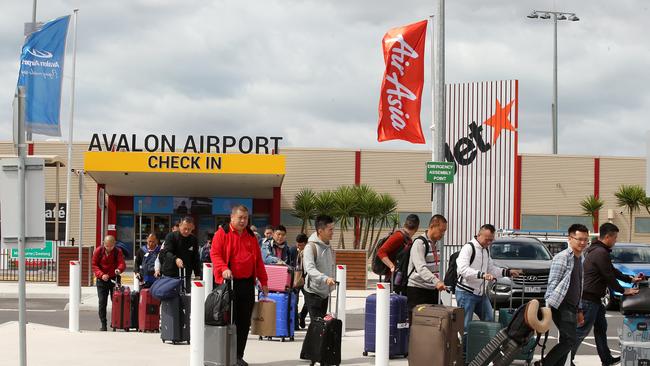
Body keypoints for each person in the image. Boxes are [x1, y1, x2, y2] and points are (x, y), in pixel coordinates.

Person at [571, 223, 641, 366]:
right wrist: (624, 290)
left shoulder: (598, 250)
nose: (615, 240)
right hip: (589, 299)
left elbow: (612, 270)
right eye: (615, 237)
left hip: (595, 300)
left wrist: (630, 279)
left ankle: (606, 359)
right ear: (607, 236)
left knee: (601, 329)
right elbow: (608, 275)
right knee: (581, 332)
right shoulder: (600, 253)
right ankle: (564, 359)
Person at [211, 205, 269, 366]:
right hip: (228, 284)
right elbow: (215, 254)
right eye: (240, 218)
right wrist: (223, 268)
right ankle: (225, 354)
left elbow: (258, 261)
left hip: (247, 283)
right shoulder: (222, 233)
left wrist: (264, 281)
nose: (243, 221)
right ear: (232, 218)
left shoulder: (251, 236)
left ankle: (238, 355)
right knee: (229, 320)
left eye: (245, 218)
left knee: (244, 322)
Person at [540, 224, 590, 366]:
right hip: (561, 304)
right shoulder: (562, 257)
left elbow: (579, 286)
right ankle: (545, 364)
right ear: (570, 238)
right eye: (579, 239)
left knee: (566, 342)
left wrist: (579, 309)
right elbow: (553, 282)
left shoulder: (581, 258)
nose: (583, 243)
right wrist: (548, 306)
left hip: (572, 306)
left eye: (585, 240)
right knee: (569, 341)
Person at [456, 224, 522, 331]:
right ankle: (463, 347)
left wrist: (508, 272)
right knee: (464, 326)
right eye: (487, 239)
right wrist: (482, 275)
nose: (489, 243)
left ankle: (482, 345)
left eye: (491, 240)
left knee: (489, 321)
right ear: (479, 235)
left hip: (481, 293)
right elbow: (462, 270)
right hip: (466, 292)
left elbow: (491, 269)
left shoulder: (486, 250)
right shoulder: (468, 248)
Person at [405, 215, 447, 312]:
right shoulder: (420, 243)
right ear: (432, 226)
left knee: (436, 321)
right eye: (441, 230)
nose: (443, 234)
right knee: (419, 322)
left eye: (444, 231)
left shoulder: (436, 244)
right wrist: (436, 281)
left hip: (432, 289)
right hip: (418, 290)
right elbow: (421, 268)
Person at [302, 215, 336, 320]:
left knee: (321, 327)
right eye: (330, 229)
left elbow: (331, 266)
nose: (332, 232)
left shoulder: (328, 247)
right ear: (320, 231)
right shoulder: (310, 247)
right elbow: (310, 269)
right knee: (317, 326)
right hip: (313, 292)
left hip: (324, 293)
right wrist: (325, 279)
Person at [91, 235, 126, 331]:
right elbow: (94, 265)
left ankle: (114, 323)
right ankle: (103, 324)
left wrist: (119, 269)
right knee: (102, 302)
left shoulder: (118, 251)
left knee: (115, 302)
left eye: (111, 246)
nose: (109, 248)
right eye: (107, 246)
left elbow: (122, 263)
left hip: (114, 279)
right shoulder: (98, 251)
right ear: (103, 244)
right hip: (102, 280)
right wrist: (101, 275)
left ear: (114, 244)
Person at [377, 214, 420, 290]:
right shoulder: (398, 236)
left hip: (400, 278)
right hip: (393, 278)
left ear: (405, 223)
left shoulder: (407, 239)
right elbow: (381, 252)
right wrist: (391, 266)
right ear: (417, 228)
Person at [158, 216, 202, 290]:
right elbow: (167, 252)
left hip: (186, 274)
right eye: (185, 228)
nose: (187, 231)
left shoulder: (193, 239)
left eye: (189, 229)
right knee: (170, 299)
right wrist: (175, 259)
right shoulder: (171, 236)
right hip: (170, 274)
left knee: (185, 298)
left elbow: (195, 258)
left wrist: (197, 274)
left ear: (193, 228)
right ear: (180, 226)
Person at [294, 233, 309, 329]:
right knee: (294, 300)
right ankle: (295, 323)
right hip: (295, 279)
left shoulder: (309, 252)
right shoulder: (293, 251)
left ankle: (302, 316)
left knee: (308, 300)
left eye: (302, 245)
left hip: (306, 279)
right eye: (298, 245)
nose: (299, 247)